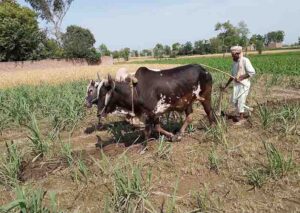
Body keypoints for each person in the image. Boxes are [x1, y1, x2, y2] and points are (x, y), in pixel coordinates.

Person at [221, 46, 255, 125]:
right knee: (234, 101)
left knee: (240, 101)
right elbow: (232, 76)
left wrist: (241, 78)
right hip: (236, 85)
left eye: (233, 55)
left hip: (244, 84)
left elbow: (252, 72)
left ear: (238, 54)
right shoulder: (234, 63)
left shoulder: (245, 60)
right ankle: (248, 109)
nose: (232, 57)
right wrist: (226, 86)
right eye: (231, 55)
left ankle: (241, 118)